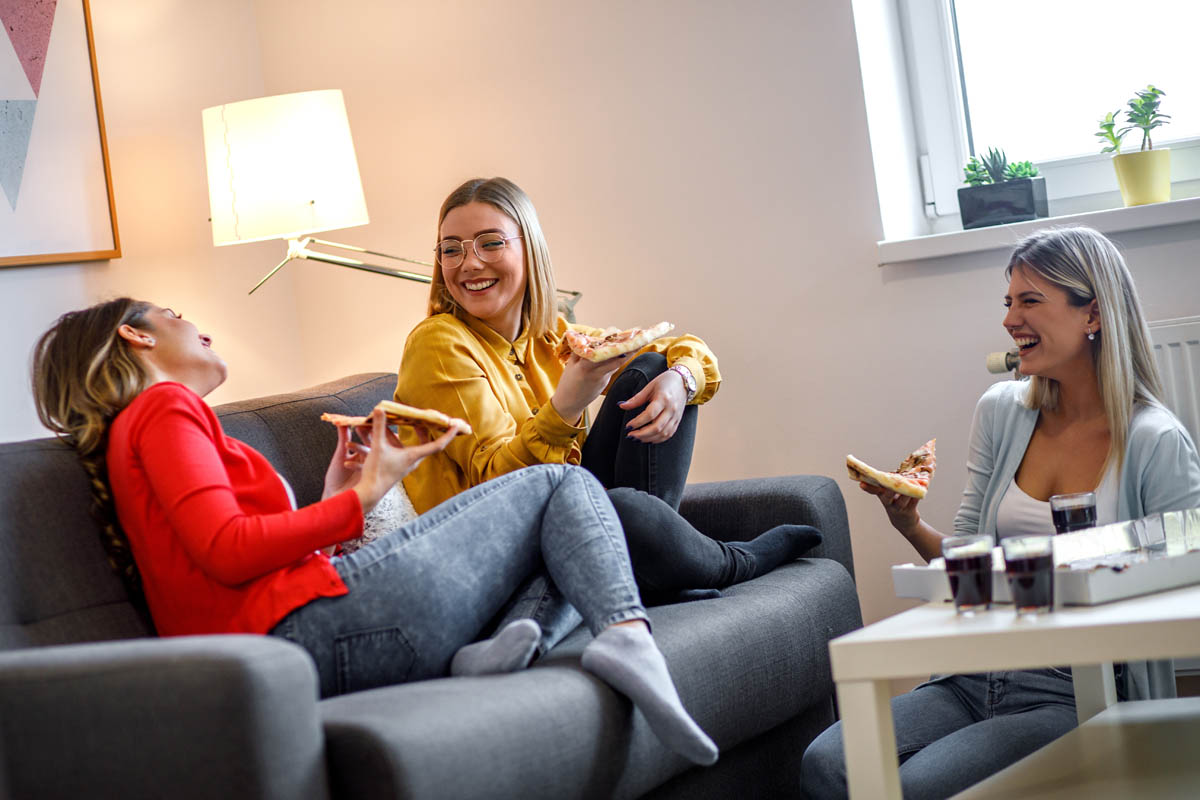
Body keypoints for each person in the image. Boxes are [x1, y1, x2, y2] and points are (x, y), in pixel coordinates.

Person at [30, 298, 719, 766]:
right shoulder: (162, 408)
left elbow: (236, 562)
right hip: (295, 641)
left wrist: (338, 489)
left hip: (297, 635)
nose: (196, 325)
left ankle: (516, 639)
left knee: (562, 530)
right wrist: (362, 498)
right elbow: (228, 549)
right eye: (176, 315)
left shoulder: (144, 429)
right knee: (562, 485)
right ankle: (627, 637)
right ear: (137, 335)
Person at [800, 226, 1200, 799]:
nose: (1011, 319)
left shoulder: (1155, 440)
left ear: (1093, 315)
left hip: (1073, 687)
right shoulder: (1002, 412)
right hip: (972, 674)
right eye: (1008, 302)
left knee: (914, 787)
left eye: (1030, 300)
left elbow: (1182, 589)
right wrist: (909, 523)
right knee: (828, 763)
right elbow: (971, 564)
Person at [394, 177, 819, 621]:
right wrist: (566, 407)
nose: (469, 264)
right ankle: (731, 563)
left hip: (563, 519)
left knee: (649, 371)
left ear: (530, 249)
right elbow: (499, 489)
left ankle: (647, 574)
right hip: (498, 555)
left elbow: (677, 346)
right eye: (451, 249)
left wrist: (682, 378)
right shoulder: (437, 343)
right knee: (623, 508)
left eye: (490, 243)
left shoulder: (552, 335)